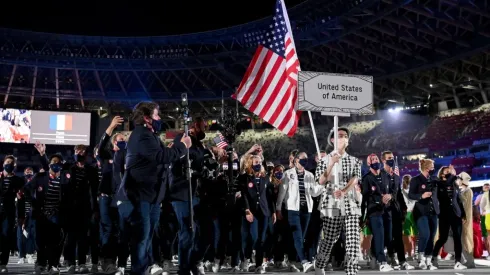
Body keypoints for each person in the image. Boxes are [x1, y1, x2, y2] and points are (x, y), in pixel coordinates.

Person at [118, 101, 191, 275]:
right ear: (147, 118)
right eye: (157, 115)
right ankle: (139, 270)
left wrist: (170, 149)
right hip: (140, 194)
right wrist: (182, 146)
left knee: (148, 236)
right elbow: (160, 157)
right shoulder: (142, 134)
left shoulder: (150, 135)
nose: (159, 118)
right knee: (142, 237)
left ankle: (145, 267)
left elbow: (157, 156)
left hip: (151, 196)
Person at [314, 127, 362, 275]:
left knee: (353, 241)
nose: (343, 138)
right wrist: (331, 163)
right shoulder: (324, 160)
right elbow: (321, 181)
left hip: (350, 204)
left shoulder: (354, 160)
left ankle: (351, 271)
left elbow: (355, 179)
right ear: (332, 140)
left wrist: (343, 191)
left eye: (345, 136)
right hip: (331, 205)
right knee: (329, 240)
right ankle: (320, 264)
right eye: (339, 135)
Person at [276, 152, 322, 272]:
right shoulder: (288, 174)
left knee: (301, 237)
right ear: (296, 160)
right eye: (302, 159)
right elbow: (282, 192)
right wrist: (278, 208)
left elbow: (313, 193)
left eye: (306, 159)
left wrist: (322, 185)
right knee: (297, 236)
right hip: (292, 209)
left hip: (306, 210)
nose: (304, 161)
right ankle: (304, 261)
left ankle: (294, 260)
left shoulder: (309, 175)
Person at [96, 115, 125, 274]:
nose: (122, 142)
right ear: (114, 142)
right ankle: (108, 262)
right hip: (106, 198)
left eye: (124, 140)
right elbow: (101, 146)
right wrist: (111, 127)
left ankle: (119, 262)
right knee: (108, 228)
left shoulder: (128, 157)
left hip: (121, 199)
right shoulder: (106, 155)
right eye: (119, 140)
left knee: (120, 230)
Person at [361, 154, 394, 272]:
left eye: (377, 159)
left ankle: (374, 254)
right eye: (373, 160)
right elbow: (365, 197)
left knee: (387, 237)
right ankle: (382, 262)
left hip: (387, 210)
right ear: (369, 163)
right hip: (374, 211)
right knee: (379, 235)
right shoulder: (366, 178)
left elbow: (392, 190)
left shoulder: (386, 175)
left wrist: (390, 196)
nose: (375, 161)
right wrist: (379, 199)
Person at [431, 165, 466, 270]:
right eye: (447, 171)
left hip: (456, 214)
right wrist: (438, 212)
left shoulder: (454, 184)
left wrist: (463, 214)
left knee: (457, 237)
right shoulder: (438, 184)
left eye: (450, 171)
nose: (450, 173)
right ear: (442, 174)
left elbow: (458, 200)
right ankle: (434, 257)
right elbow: (435, 199)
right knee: (443, 238)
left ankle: (458, 261)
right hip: (444, 214)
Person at [408, 159, 439, 270]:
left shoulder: (434, 179)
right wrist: (421, 196)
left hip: (433, 211)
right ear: (426, 167)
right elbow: (411, 195)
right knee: (425, 234)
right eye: (432, 166)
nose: (433, 168)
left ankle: (428, 260)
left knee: (431, 236)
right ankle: (420, 258)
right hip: (421, 211)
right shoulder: (416, 180)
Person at [0, 155, 24, 273]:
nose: (9, 164)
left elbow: (21, 200)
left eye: (11, 163)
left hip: (9, 213)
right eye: (7, 162)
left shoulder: (18, 180)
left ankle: (3, 264)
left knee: (6, 237)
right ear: (3, 163)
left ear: (14, 166)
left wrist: (21, 216)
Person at [458, 172, 474, 267]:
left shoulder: (467, 191)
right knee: (464, 238)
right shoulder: (464, 190)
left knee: (467, 238)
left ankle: (470, 260)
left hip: (466, 218)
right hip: (464, 218)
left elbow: (465, 206)